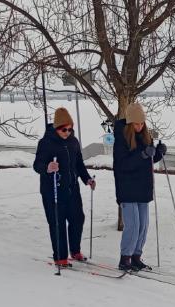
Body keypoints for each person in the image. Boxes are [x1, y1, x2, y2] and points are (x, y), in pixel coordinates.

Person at [33, 107, 96, 266]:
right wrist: (47, 167)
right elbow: (37, 164)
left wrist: (87, 179)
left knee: (77, 219)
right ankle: (60, 257)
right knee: (57, 223)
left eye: (70, 128)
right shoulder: (46, 143)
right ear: (56, 127)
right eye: (64, 129)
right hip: (53, 190)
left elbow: (79, 164)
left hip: (72, 189)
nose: (68, 132)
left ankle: (75, 251)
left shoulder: (74, 142)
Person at [111, 101, 166, 271]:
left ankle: (136, 256)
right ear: (129, 123)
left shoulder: (144, 136)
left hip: (143, 187)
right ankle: (125, 258)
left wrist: (158, 152)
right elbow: (122, 165)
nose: (139, 126)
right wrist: (142, 154)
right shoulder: (121, 139)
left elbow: (148, 159)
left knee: (143, 225)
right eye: (136, 123)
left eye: (142, 123)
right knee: (133, 225)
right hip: (127, 188)